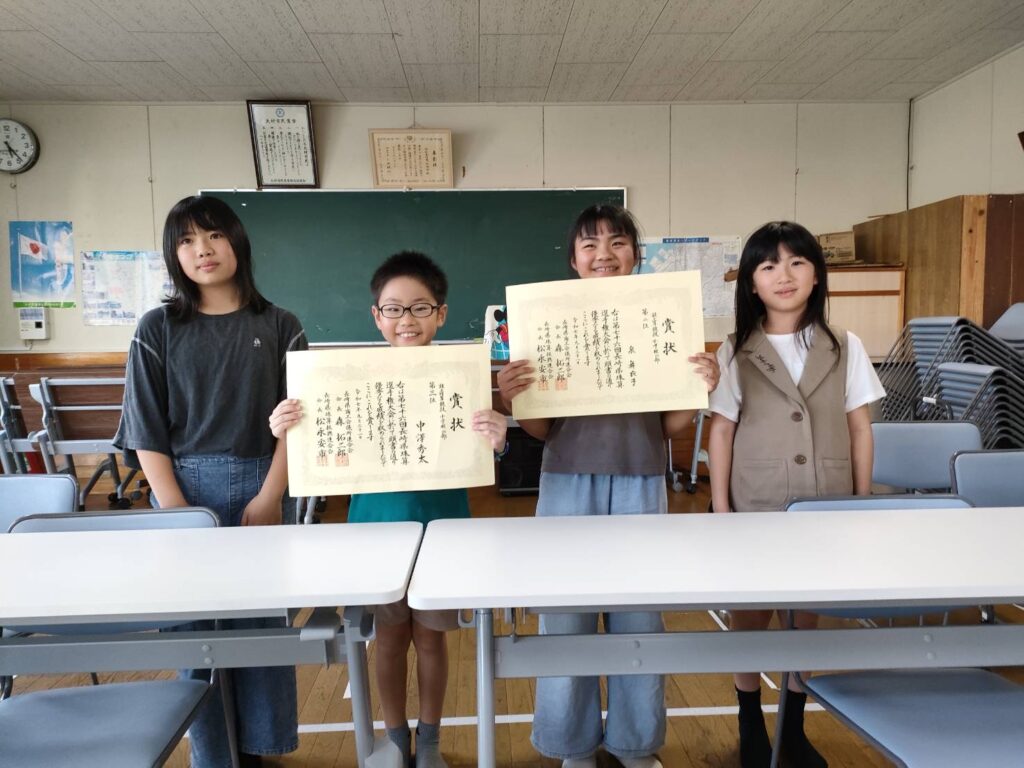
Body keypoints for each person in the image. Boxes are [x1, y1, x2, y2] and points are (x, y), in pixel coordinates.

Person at [497, 204, 720, 768]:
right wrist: (515, 395)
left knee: (639, 617)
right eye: (590, 245)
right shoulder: (546, 321)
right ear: (573, 260)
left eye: (618, 243)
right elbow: (542, 430)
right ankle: (571, 744)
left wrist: (699, 388)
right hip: (567, 480)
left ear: (636, 255)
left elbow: (667, 425)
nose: (604, 255)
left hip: (640, 477)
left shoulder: (659, 315)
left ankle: (635, 744)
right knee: (565, 617)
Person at [269, 250, 507, 768]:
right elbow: (314, 442)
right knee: (389, 640)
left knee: (432, 640)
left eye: (420, 308)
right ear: (377, 316)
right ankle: (395, 737)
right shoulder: (344, 380)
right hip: (374, 533)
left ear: (441, 313)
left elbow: (486, 449)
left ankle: (430, 740)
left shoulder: (462, 377)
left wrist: (499, 437)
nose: (407, 320)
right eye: (394, 309)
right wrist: (288, 427)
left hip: (443, 531)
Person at [114, 195, 304, 768]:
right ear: (173, 254)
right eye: (187, 240)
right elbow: (146, 431)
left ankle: (261, 749)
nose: (203, 249)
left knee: (262, 627)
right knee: (195, 634)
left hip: (262, 484)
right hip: (182, 489)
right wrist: (178, 513)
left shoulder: (280, 325)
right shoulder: (157, 328)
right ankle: (212, 754)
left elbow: (301, 424)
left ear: (237, 241)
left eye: (214, 235)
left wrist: (270, 495)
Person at [707, 221, 885, 768]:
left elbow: (860, 428)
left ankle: (794, 725)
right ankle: (750, 720)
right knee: (751, 615)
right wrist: (721, 511)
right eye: (768, 266)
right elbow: (721, 431)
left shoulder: (845, 345)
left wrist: (860, 501)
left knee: (806, 616)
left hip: (826, 502)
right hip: (755, 503)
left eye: (796, 262)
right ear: (752, 283)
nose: (783, 275)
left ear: (816, 275)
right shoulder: (735, 350)